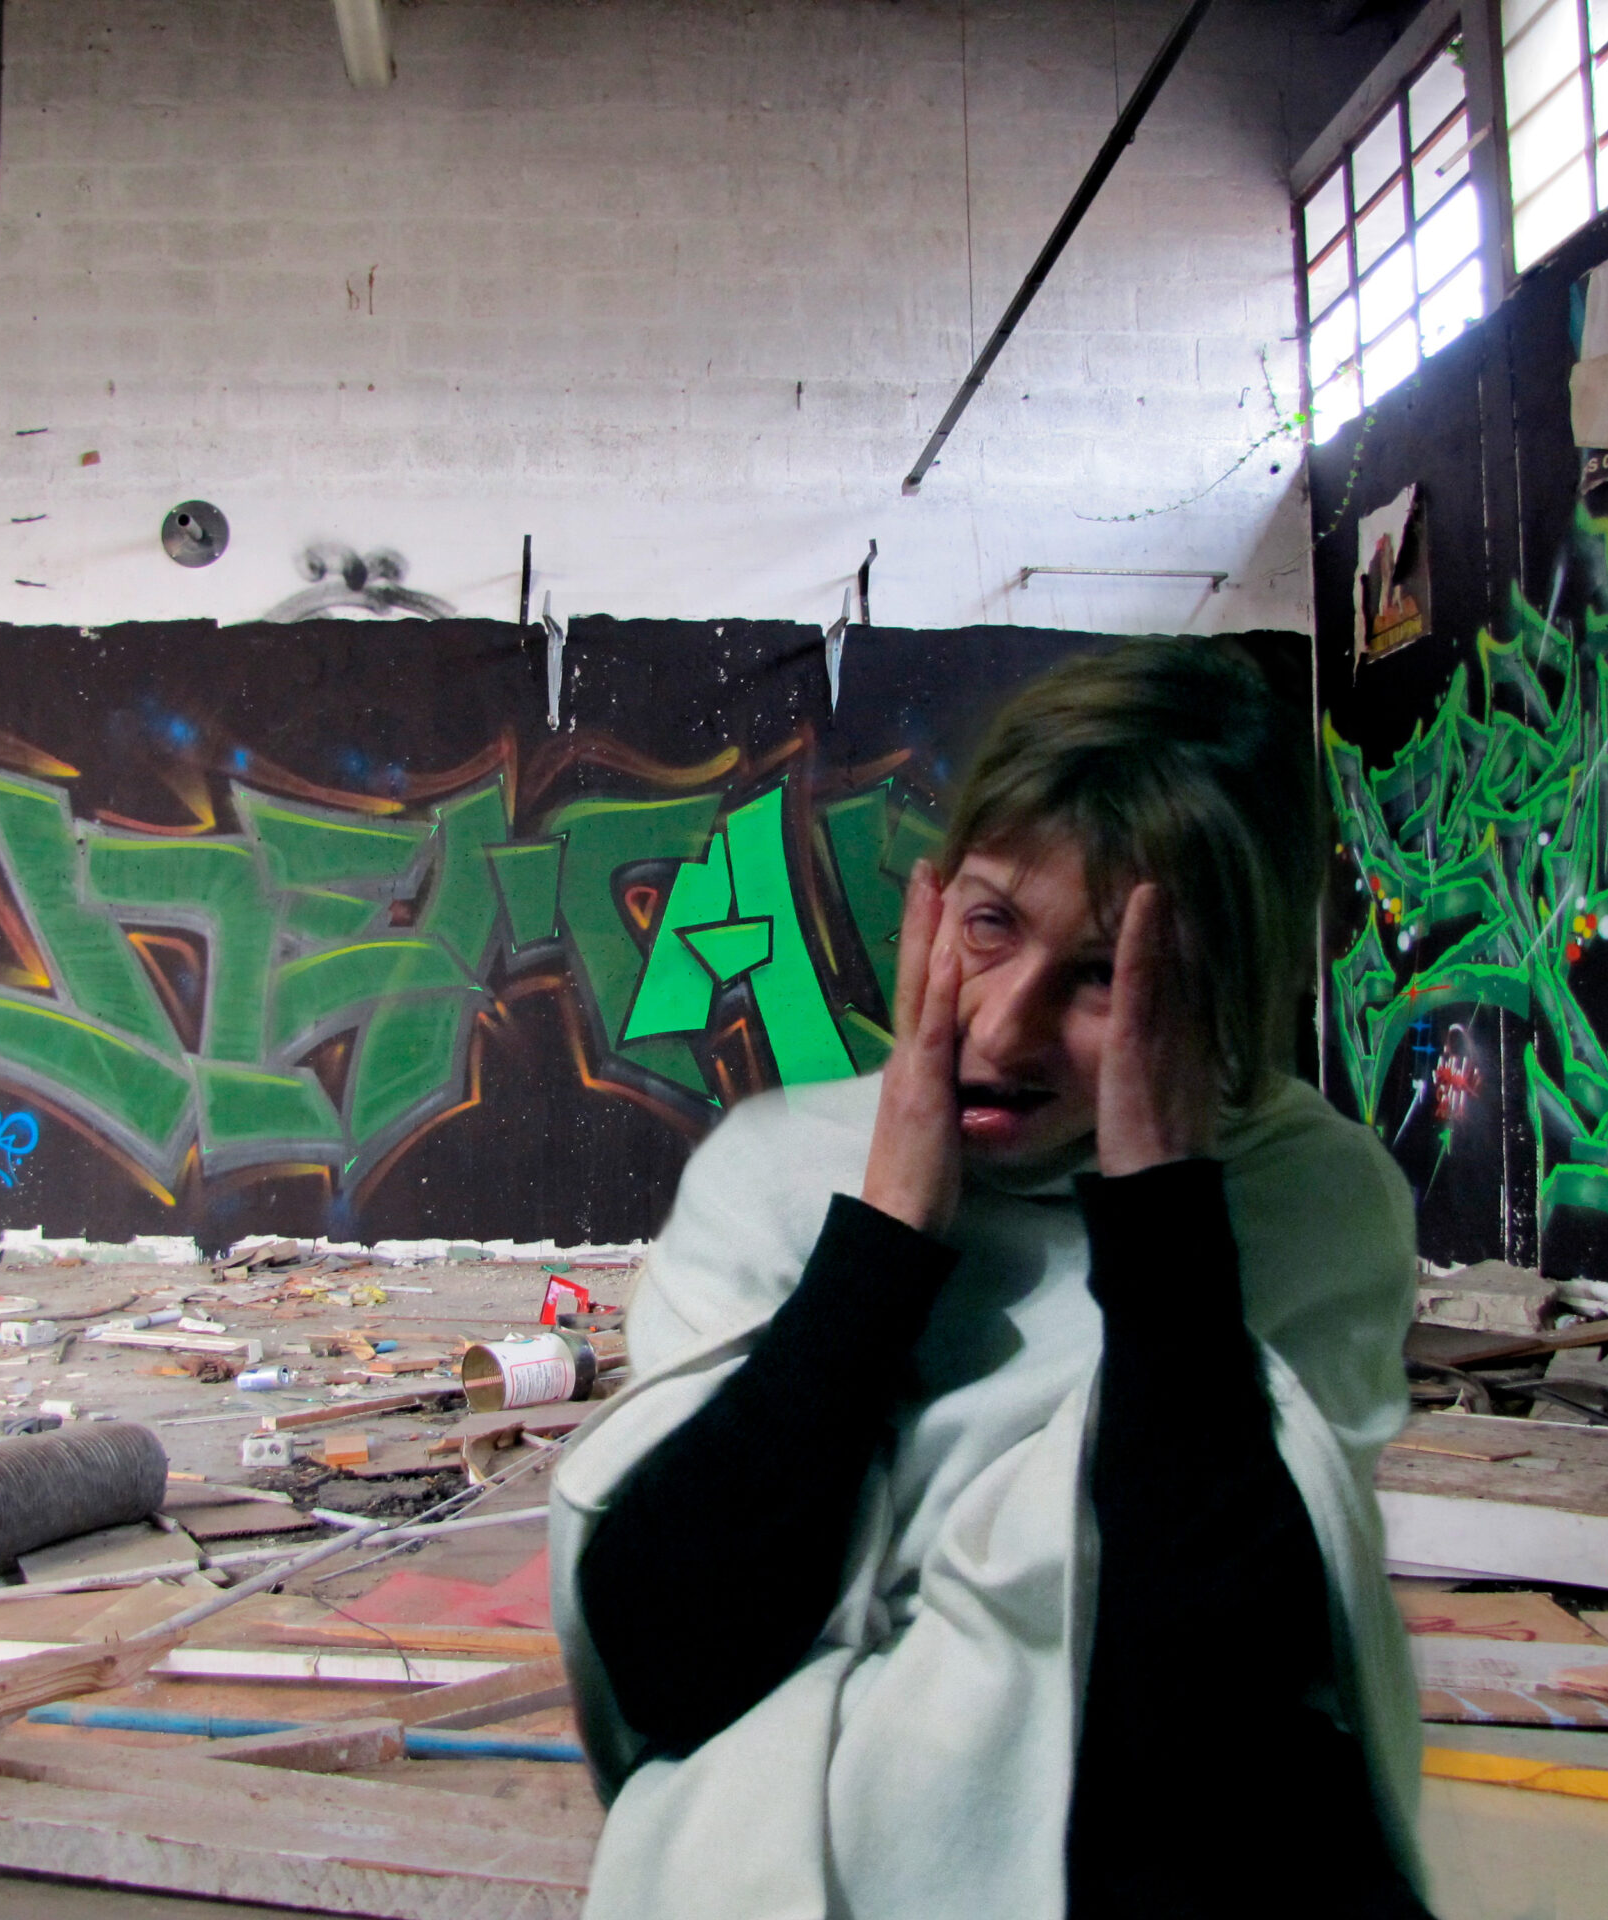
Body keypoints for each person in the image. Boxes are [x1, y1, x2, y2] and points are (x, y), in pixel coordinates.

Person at [548, 638, 1434, 1919]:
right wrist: (885, 1235)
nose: (1003, 1031)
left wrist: (1160, 1207)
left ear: (1220, 992)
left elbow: (1208, 1728)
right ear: (933, 904)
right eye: (991, 925)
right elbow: (666, 1666)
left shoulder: (1304, 1197)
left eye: (1105, 976)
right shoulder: (777, 1173)